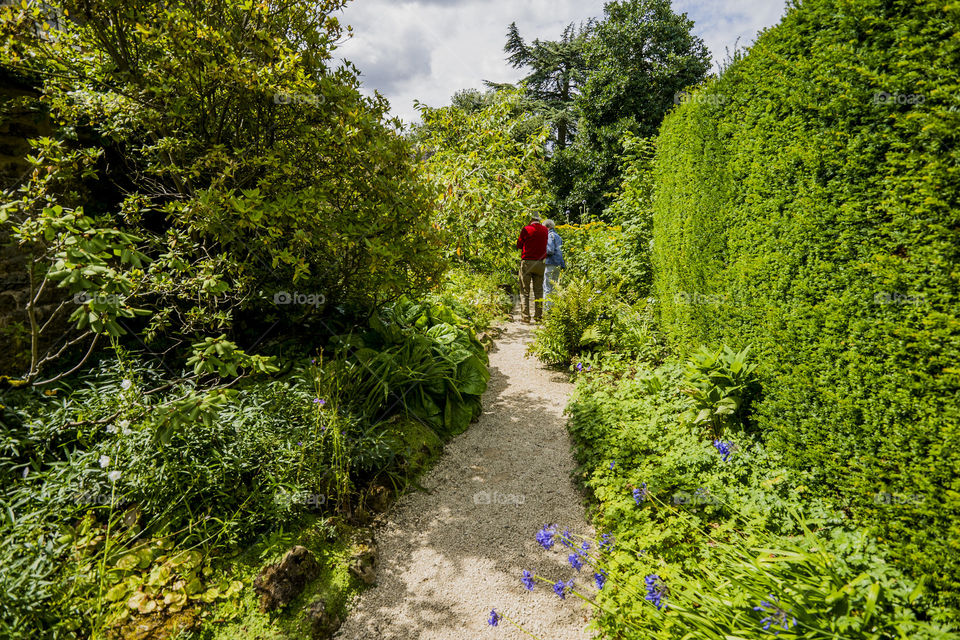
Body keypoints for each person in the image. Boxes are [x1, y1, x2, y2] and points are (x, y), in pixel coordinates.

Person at [515, 214, 548, 323]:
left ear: (531, 219)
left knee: (525, 290)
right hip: (540, 263)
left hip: (527, 262)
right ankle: (538, 316)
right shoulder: (545, 230)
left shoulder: (526, 229)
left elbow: (519, 245)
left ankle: (526, 316)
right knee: (539, 290)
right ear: (539, 219)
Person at [542, 219, 565, 312]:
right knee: (555, 287)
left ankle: (547, 310)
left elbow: (550, 250)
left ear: (547, 227)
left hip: (550, 263)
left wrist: (542, 253)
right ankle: (554, 310)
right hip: (558, 264)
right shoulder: (558, 236)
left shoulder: (549, 235)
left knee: (547, 287)